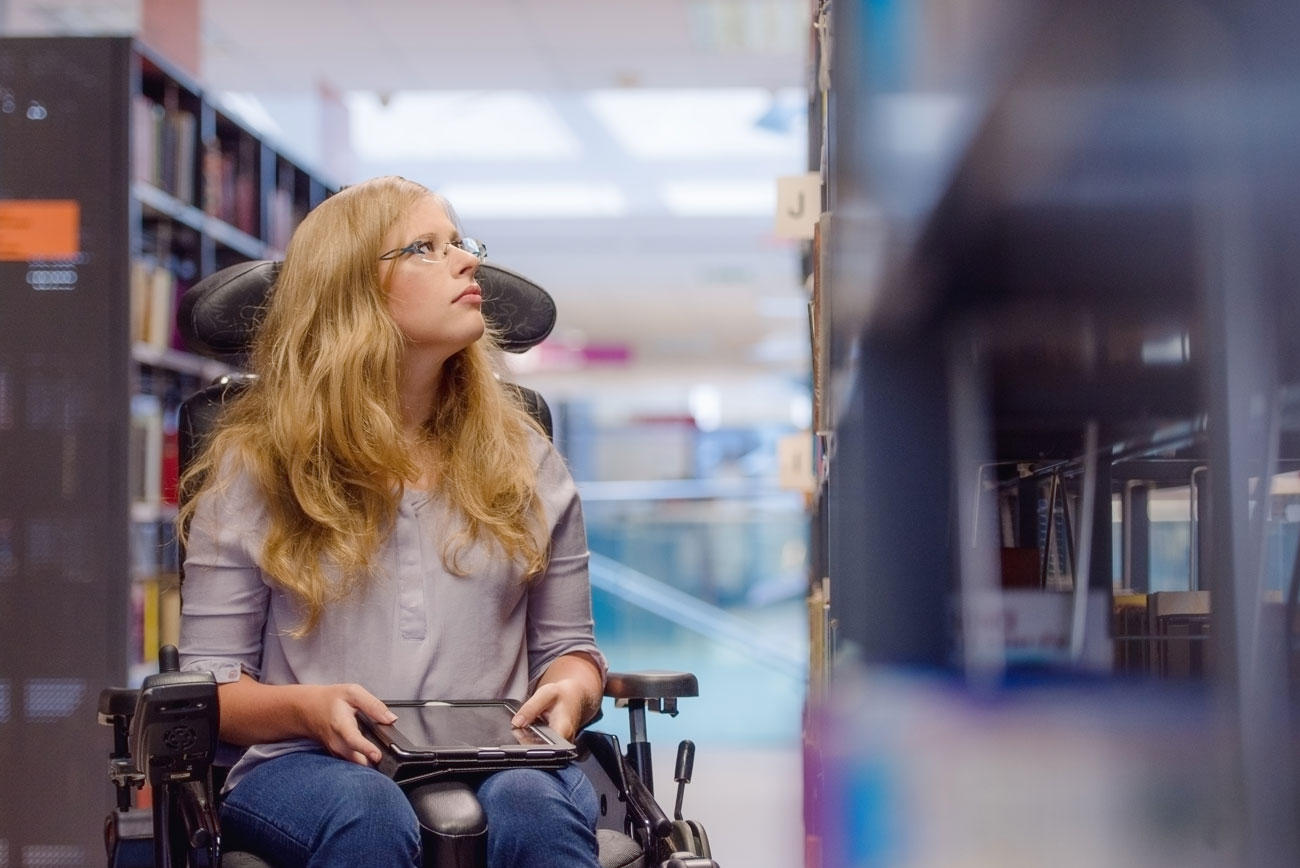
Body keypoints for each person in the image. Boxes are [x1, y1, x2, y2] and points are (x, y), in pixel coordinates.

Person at [177, 175, 607, 868]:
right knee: (365, 811)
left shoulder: (527, 458)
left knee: (531, 809)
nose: (468, 262)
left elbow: (570, 649)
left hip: (503, 758)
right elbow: (211, 690)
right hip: (307, 764)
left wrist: (574, 687)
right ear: (350, 290)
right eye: (425, 249)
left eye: (459, 244)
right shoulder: (258, 465)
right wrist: (307, 708)